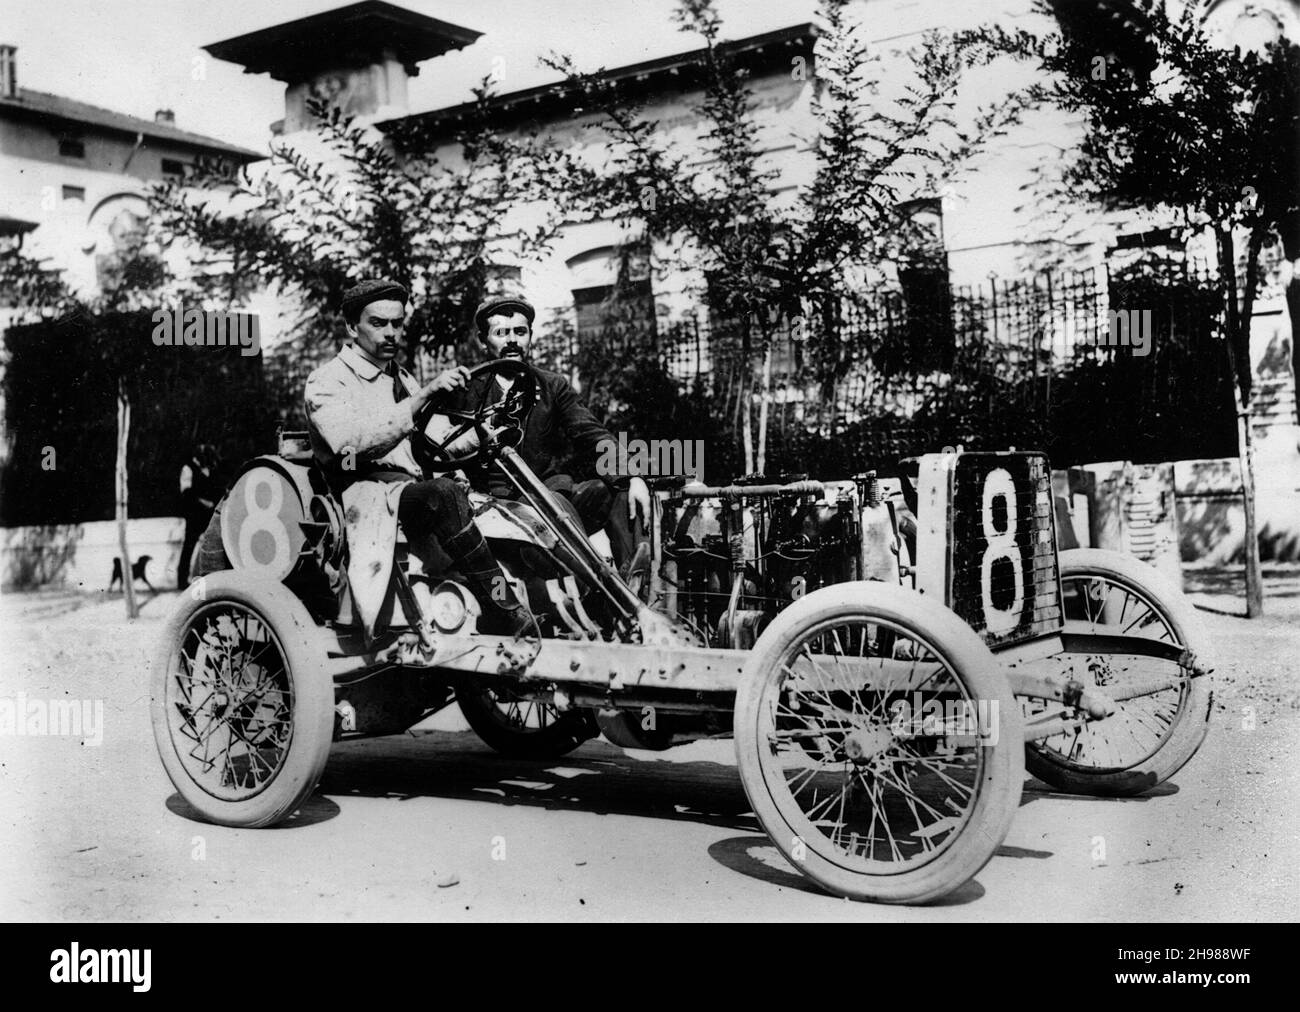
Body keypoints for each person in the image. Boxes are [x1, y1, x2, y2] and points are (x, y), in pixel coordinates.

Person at [304, 279, 534, 639]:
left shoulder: (402, 378)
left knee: (499, 508)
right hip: (365, 494)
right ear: (352, 327)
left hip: (412, 494)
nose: (391, 333)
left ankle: (517, 601)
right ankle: (504, 608)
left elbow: (437, 438)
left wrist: (483, 429)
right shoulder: (329, 381)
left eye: (397, 323)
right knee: (444, 493)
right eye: (378, 323)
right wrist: (422, 396)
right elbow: (349, 446)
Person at [454, 294, 652, 578]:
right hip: (492, 508)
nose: (512, 341)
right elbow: (442, 450)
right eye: (501, 333)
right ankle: (598, 584)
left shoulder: (551, 385)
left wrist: (632, 477)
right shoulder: (464, 389)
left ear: (530, 337)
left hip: (549, 494)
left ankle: (635, 581)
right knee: (554, 508)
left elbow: (591, 433)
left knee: (617, 488)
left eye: (520, 332)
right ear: (482, 340)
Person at [177, 443, 219, 588]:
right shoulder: (188, 469)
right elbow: (186, 492)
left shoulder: (206, 469)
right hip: (194, 514)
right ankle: (182, 580)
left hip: (207, 514)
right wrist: (203, 502)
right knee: (189, 546)